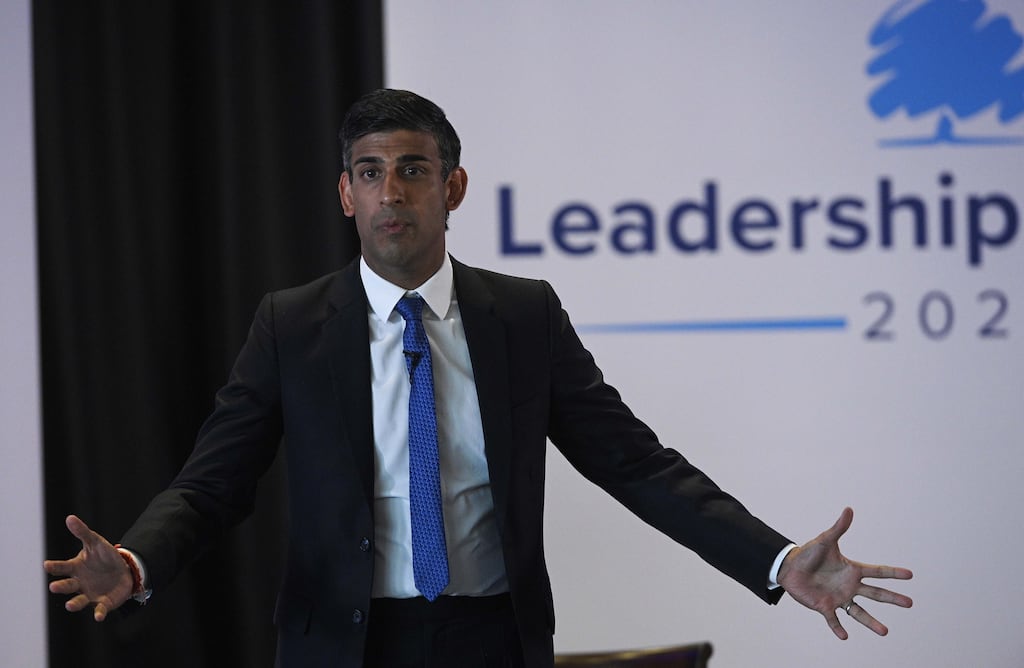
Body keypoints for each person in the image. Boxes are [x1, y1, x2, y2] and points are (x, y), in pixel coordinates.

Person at [45, 89, 912, 668]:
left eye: (414, 170)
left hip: (491, 638)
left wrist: (775, 559)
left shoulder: (522, 315)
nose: (393, 192)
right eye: (371, 173)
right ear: (345, 194)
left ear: (453, 186)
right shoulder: (294, 325)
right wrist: (136, 557)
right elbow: (213, 485)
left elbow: (637, 465)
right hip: (342, 644)